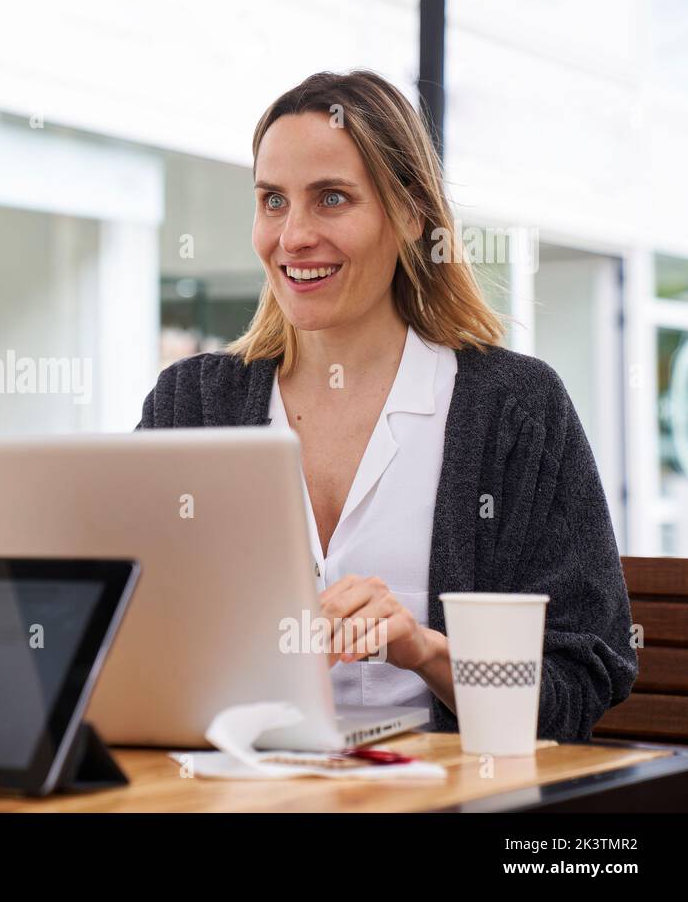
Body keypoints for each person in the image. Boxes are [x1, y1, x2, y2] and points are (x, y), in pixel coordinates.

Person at [137, 70, 636, 743]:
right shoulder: (192, 403)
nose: (293, 237)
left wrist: (425, 651)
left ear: (409, 215)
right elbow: (126, 630)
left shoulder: (513, 410)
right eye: (274, 201)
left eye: (332, 198)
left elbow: (583, 675)